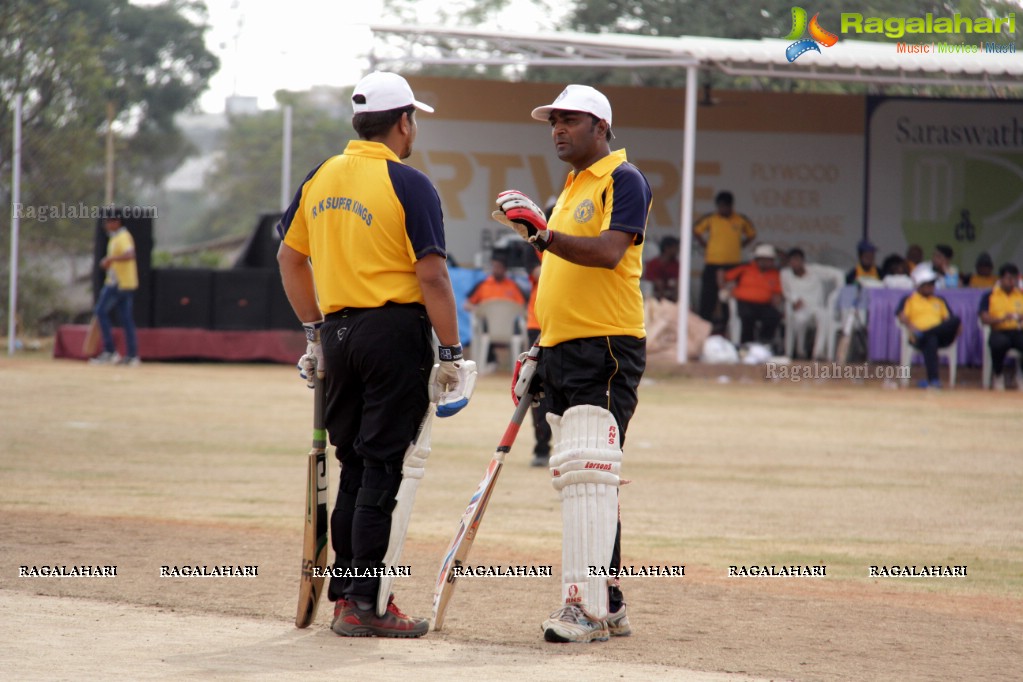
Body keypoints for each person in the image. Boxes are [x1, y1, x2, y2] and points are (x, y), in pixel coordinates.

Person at [276, 71, 476, 639]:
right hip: (393, 334)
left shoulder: (321, 176)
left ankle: (347, 597)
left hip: (338, 337)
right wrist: (453, 352)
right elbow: (433, 276)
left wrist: (314, 334)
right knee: (382, 466)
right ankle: (365, 603)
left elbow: (289, 261)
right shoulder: (410, 184)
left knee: (355, 465)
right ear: (403, 121)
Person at [492, 83, 651, 644]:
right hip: (564, 345)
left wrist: (544, 233)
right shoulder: (569, 188)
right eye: (553, 121)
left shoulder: (622, 179)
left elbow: (609, 252)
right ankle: (610, 602)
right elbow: (558, 276)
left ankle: (584, 607)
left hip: (605, 345)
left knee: (591, 474)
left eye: (570, 120)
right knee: (587, 481)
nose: (558, 129)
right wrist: (540, 343)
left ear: (601, 127)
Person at [694, 191, 756, 327]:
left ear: (731, 206)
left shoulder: (740, 220)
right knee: (708, 297)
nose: (723, 209)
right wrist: (706, 245)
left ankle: (727, 326)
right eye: (720, 206)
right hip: (713, 264)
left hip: (733, 265)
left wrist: (741, 245)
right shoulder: (711, 218)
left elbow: (752, 234)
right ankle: (704, 326)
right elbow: (696, 230)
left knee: (730, 298)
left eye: (725, 206)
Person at [896, 266, 960, 389]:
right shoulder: (909, 299)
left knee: (955, 320)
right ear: (920, 285)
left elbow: (948, 320)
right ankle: (934, 380)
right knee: (931, 340)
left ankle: (926, 333)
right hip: (917, 337)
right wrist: (912, 327)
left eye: (933, 284)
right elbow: (901, 316)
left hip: (939, 336)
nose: (932, 287)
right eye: (928, 284)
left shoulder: (939, 300)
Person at [90, 207, 140, 366]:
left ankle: (110, 351)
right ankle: (132, 355)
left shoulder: (123, 236)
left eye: (108, 222)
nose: (105, 225)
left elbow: (130, 254)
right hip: (122, 283)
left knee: (100, 311)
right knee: (126, 319)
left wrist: (111, 259)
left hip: (119, 284)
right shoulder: (115, 237)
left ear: (116, 222)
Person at [722, 244, 784, 347]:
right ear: (758, 259)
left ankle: (764, 342)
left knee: (774, 316)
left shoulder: (775, 273)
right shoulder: (745, 268)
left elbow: (777, 292)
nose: (768, 262)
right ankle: (747, 344)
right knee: (747, 316)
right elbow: (724, 275)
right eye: (765, 260)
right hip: (744, 302)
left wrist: (777, 300)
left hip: (764, 304)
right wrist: (725, 288)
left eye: (770, 260)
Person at [524, 255, 552, 466]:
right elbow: (538, 273)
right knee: (537, 387)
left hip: (571, 321)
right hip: (538, 324)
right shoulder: (534, 245)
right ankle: (542, 447)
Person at [978, 263, 1023, 390]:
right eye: (1009, 278)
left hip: (1018, 330)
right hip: (999, 330)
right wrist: (1002, 318)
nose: (1012, 282)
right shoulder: (990, 295)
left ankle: (1020, 376)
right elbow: (984, 319)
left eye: (1014, 278)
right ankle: (998, 374)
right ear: (1001, 279)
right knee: (999, 343)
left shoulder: (1020, 294)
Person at [780, 247, 827, 359]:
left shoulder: (815, 270)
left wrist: (837, 292)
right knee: (799, 320)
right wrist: (794, 300)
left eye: (797, 260)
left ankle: (818, 352)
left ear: (803, 261)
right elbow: (786, 291)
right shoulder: (785, 274)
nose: (794, 263)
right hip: (800, 308)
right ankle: (800, 351)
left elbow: (838, 274)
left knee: (825, 316)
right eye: (792, 260)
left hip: (816, 307)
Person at [643, 235, 680, 302]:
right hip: (653, 299)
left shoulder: (676, 265)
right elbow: (647, 282)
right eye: (675, 248)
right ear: (667, 248)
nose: (677, 250)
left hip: (672, 300)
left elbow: (678, 282)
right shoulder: (653, 263)